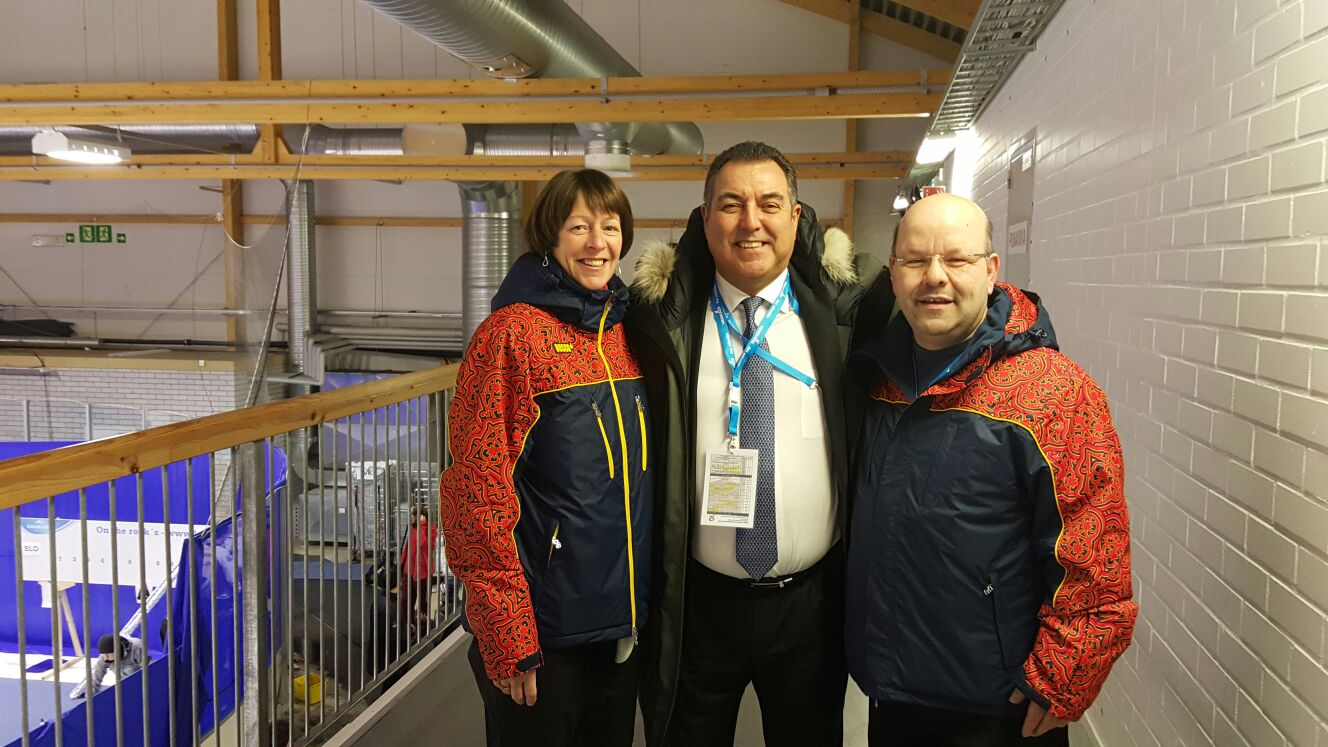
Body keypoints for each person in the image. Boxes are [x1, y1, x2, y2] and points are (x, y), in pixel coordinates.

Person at [844, 193, 1138, 746]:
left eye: (955, 259)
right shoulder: (878, 378)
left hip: (998, 708)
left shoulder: (1054, 392)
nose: (934, 277)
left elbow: (1097, 552)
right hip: (894, 691)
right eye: (914, 260)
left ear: (990, 269)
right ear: (893, 272)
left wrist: (1061, 677)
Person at [627, 141, 890, 746]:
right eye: (731, 204)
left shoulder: (847, 315)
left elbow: (945, 299)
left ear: (797, 218)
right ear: (704, 216)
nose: (751, 222)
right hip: (696, 606)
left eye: (770, 204)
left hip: (809, 608)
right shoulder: (660, 319)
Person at [439, 169, 652, 746]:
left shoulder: (627, 333)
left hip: (618, 631)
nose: (596, 243)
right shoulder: (511, 336)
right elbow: (474, 491)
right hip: (542, 635)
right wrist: (506, 631)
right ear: (550, 237)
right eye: (578, 226)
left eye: (609, 227)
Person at [399, 504, 437, 635]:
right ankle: (407, 626)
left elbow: (423, 544)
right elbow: (408, 548)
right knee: (405, 601)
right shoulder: (414, 529)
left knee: (422, 604)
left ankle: (422, 630)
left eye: (412, 515)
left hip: (422, 574)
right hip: (408, 570)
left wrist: (422, 526)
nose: (410, 518)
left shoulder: (430, 530)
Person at [70, 634, 147, 699]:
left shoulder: (138, 648)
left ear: (118, 650)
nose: (106, 658)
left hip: (141, 681)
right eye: (104, 656)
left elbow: (149, 670)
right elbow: (96, 675)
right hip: (124, 683)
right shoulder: (104, 657)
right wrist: (90, 695)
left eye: (109, 655)